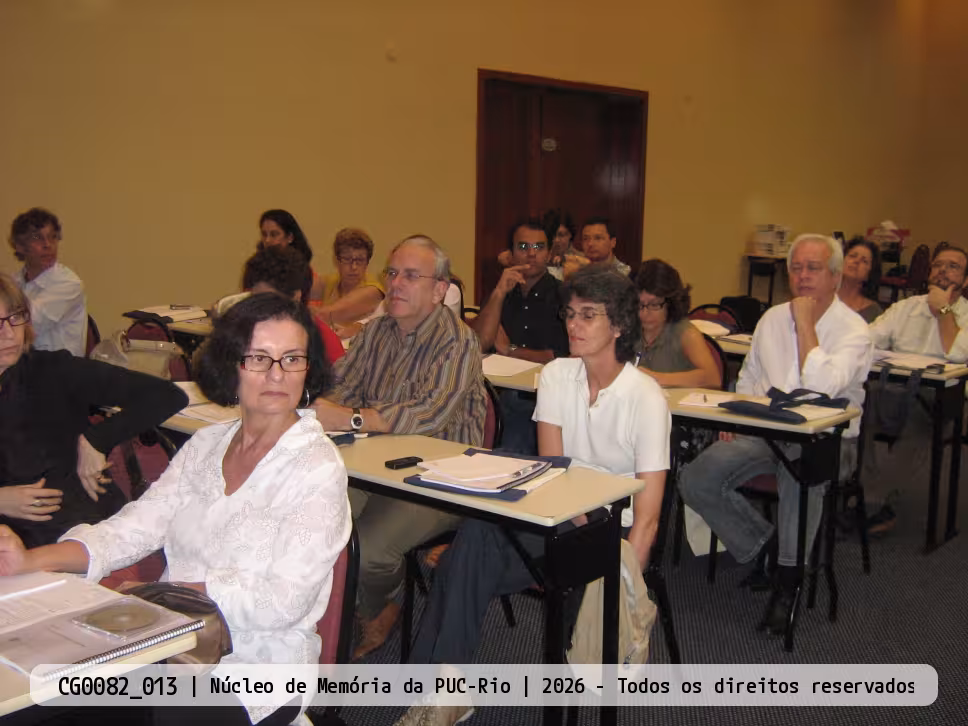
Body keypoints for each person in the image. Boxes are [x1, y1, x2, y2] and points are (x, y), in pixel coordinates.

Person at [0, 293, 351, 726]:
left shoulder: (317, 467)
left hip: (255, 670)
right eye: (259, 358)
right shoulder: (207, 445)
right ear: (231, 365)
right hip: (169, 643)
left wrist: (163, 597)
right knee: (36, 699)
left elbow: (282, 603)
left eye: (292, 359)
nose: (277, 374)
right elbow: (134, 528)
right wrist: (31, 560)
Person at [397, 266, 669, 726]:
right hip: (559, 515)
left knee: (465, 559)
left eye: (588, 315)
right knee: (480, 528)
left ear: (619, 325)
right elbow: (553, 470)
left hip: (611, 533)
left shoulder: (646, 397)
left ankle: (439, 687)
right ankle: (448, 688)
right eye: (570, 314)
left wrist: (622, 589)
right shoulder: (557, 375)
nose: (573, 325)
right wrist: (568, 520)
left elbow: (647, 518)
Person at [678, 234, 872, 635]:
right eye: (796, 268)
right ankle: (767, 548)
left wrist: (804, 325)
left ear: (835, 277)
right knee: (695, 478)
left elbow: (822, 387)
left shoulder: (854, 330)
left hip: (830, 441)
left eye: (813, 268)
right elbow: (750, 376)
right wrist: (735, 418)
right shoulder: (771, 319)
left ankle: (789, 579)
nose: (802, 277)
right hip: (765, 431)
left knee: (800, 472)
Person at [312, 235, 486, 661]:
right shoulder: (377, 332)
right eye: (392, 273)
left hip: (441, 477)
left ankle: (381, 605)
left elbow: (428, 416)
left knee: (369, 550)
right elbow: (339, 387)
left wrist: (350, 418)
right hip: (375, 463)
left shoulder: (458, 341)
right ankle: (336, 613)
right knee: (317, 519)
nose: (395, 284)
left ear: (440, 289)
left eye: (410, 276)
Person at [0, 273, 187, 550]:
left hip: (74, 530)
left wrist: (96, 439)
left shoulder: (52, 370)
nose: (9, 333)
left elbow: (166, 395)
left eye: (15, 317)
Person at [473, 218, 568, 454]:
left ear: (549, 253)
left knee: (514, 410)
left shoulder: (563, 295)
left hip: (540, 395)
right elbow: (480, 343)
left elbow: (560, 356)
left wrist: (511, 351)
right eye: (523, 247)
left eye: (539, 247)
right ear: (511, 253)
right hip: (494, 389)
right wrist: (498, 293)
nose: (531, 254)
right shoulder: (501, 291)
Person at [242, 245, 345, 365]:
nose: (257, 308)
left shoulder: (325, 345)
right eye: (254, 299)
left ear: (295, 297)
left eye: (268, 302)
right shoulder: (241, 331)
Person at [7, 208, 87, 356]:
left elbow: (24, 327)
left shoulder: (68, 283)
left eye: (53, 237)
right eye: (37, 238)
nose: (48, 245)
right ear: (20, 246)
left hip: (59, 366)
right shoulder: (13, 282)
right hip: (23, 362)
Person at [869, 245, 968, 361]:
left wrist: (943, 309)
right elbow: (867, 340)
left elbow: (960, 356)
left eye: (953, 266)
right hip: (899, 371)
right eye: (937, 265)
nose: (942, 269)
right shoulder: (904, 307)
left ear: (966, 281)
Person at [633, 258, 722, 388]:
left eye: (654, 305)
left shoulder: (686, 333)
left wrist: (655, 378)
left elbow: (712, 378)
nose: (644, 313)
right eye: (639, 305)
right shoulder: (627, 328)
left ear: (670, 303)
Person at [312, 227, 386, 335]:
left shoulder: (373, 291)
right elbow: (297, 288)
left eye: (360, 260)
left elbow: (324, 316)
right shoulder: (331, 281)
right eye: (347, 259)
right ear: (337, 260)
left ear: (367, 262)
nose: (354, 267)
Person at [257, 209, 322, 300]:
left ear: (290, 237)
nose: (267, 240)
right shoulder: (256, 269)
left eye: (274, 234)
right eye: (264, 235)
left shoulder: (310, 278)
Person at [838, 236, 883, 323]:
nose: (857, 261)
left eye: (864, 261)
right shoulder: (822, 297)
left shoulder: (874, 312)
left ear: (870, 273)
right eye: (852, 256)